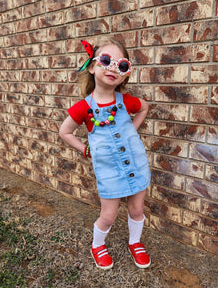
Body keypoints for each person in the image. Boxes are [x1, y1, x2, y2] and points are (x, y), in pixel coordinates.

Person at [59, 37, 151, 270]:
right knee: (108, 215)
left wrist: (132, 130)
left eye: (121, 65)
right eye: (107, 60)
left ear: (125, 74)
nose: (113, 68)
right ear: (91, 66)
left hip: (136, 164)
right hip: (109, 170)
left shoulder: (127, 102)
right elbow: (65, 132)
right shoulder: (83, 107)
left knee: (137, 209)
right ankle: (97, 245)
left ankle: (135, 242)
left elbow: (144, 107)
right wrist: (85, 149)